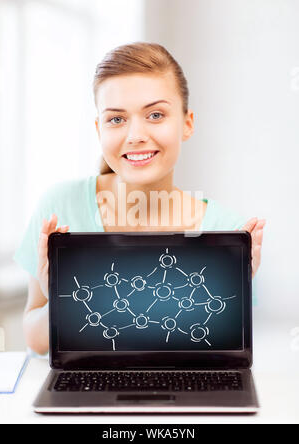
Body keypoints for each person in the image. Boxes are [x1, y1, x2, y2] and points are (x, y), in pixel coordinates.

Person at [13, 42, 265, 356]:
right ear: (99, 129)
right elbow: (35, 339)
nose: (135, 135)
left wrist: (233, 288)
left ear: (187, 123)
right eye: (116, 119)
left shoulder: (225, 229)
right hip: (87, 393)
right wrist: (63, 296)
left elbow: (219, 351)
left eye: (155, 114)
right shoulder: (59, 207)